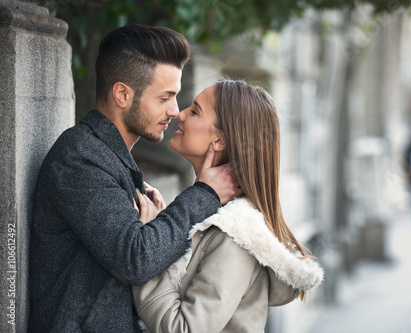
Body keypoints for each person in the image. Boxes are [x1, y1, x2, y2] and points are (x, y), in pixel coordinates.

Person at [28, 24, 241, 332]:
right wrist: (204, 194)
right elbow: (136, 258)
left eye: (176, 97)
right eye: (165, 97)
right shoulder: (78, 158)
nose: (174, 111)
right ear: (123, 94)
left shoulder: (111, 159)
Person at [132, 80, 324, 332]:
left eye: (195, 111)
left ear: (220, 141)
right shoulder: (209, 218)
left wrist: (147, 254)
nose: (179, 113)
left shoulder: (235, 235)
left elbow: (185, 328)